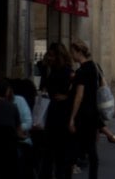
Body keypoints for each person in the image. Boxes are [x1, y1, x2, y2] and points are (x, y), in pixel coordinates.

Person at [39, 42, 73, 179]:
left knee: (59, 151)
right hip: (53, 110)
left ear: (59, 56)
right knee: (50, 150)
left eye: (52, 55)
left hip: (61, 112)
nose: (50, 57)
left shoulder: (67, 71)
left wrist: (66, 97)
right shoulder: (50, 69)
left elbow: (78, 91)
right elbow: (44, 86)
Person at [69, 39, 100, 179]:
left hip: (82, 114)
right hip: (92, 111)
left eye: (73, 52)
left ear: (79, 52)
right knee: (91, 148)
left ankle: (69, 170)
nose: (72, 55)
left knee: (74, 145)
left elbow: (79, 95)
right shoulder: (93, 67)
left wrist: (72, 117)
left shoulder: (82, 71)